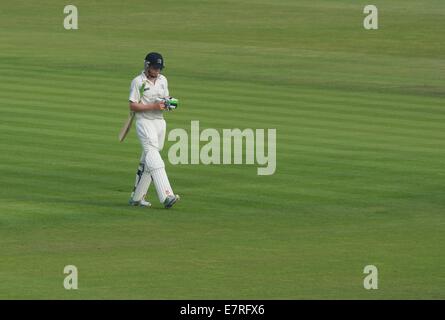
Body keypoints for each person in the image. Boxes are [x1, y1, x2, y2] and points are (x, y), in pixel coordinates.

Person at [127, 52, 180, 208]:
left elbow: (165, 98)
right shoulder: (138, 82)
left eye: (159, 68)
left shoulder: (163, 80)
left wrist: (169, 103)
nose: (157, 71)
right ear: (147, 66)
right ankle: (166, 195)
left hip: (159, 122)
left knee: (149, 159)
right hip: (144, 122)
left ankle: (137, 197)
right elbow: (132, 105)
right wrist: (153, 106)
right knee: (154, 156)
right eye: (155, 68)